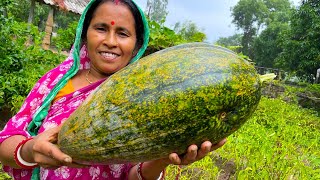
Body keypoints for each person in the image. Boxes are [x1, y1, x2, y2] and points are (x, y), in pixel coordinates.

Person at [0, 0, 226, 179]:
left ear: (137, 44)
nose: (110, 41)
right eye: (100, 28)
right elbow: (6, 141)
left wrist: (163, 159)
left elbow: (133, 175)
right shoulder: (55, 81)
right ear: (84, 33)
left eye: (123, 33)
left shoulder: (148, 96)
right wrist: (30, 150)